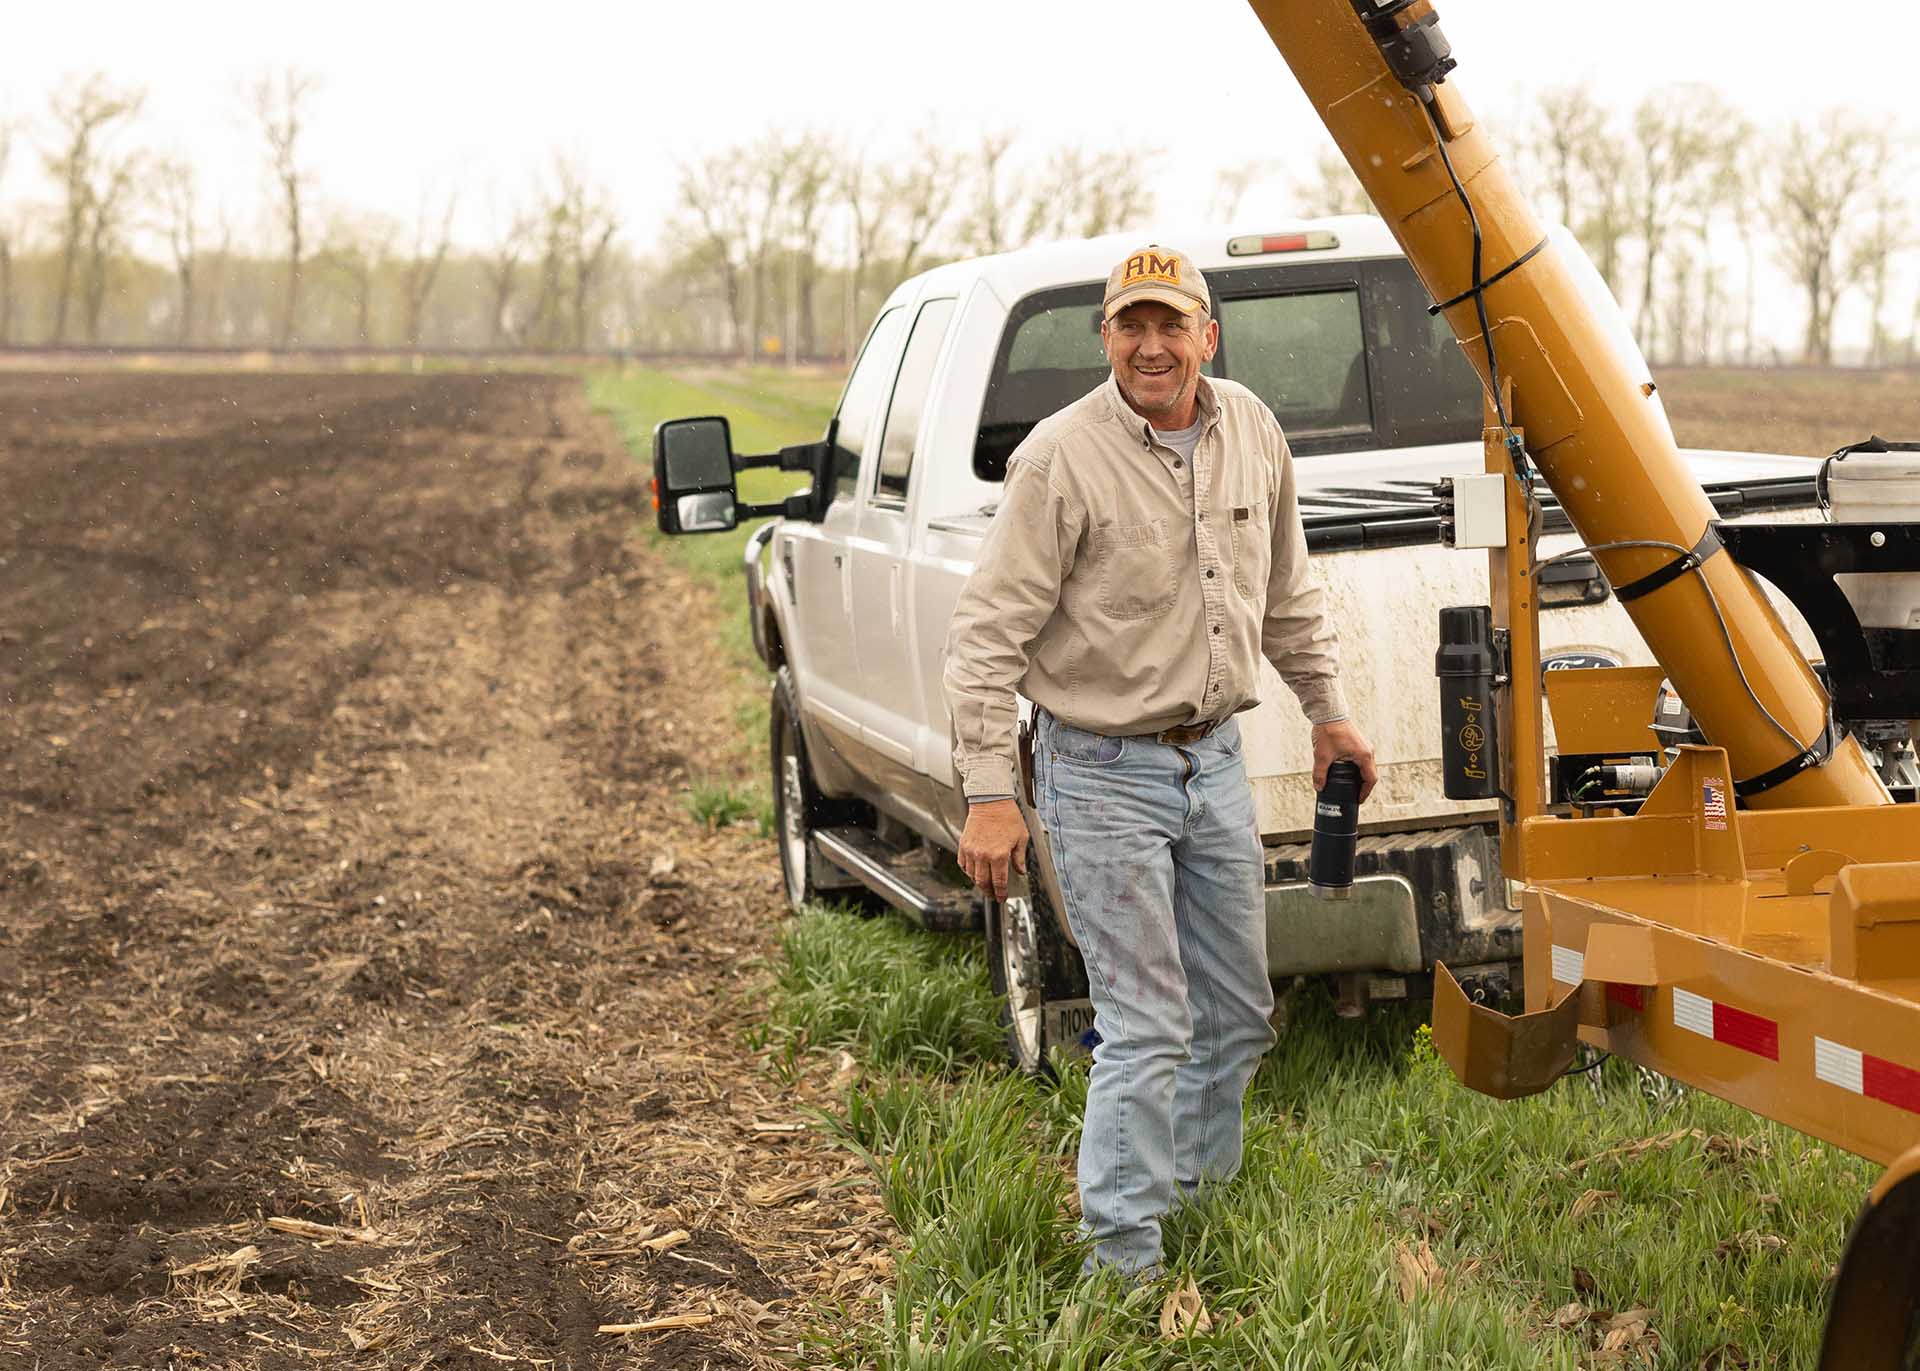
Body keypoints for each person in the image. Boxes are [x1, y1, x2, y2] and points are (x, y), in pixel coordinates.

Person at [943, 243, 1377, 1280]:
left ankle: (1198, 1214)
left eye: (1170, 325)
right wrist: (990, 792)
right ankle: (1123, 1266)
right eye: (1130, 326)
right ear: (1105, 338)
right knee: (1148, 1026)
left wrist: (1329, 714)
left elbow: (1288, 595)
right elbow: (984, 638)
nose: (1151, 345)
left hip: (1212, 763)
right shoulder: (1059, 459)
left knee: (1237, 1014)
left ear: (1206, 336)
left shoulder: (1253, 430)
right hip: (1098, 773)